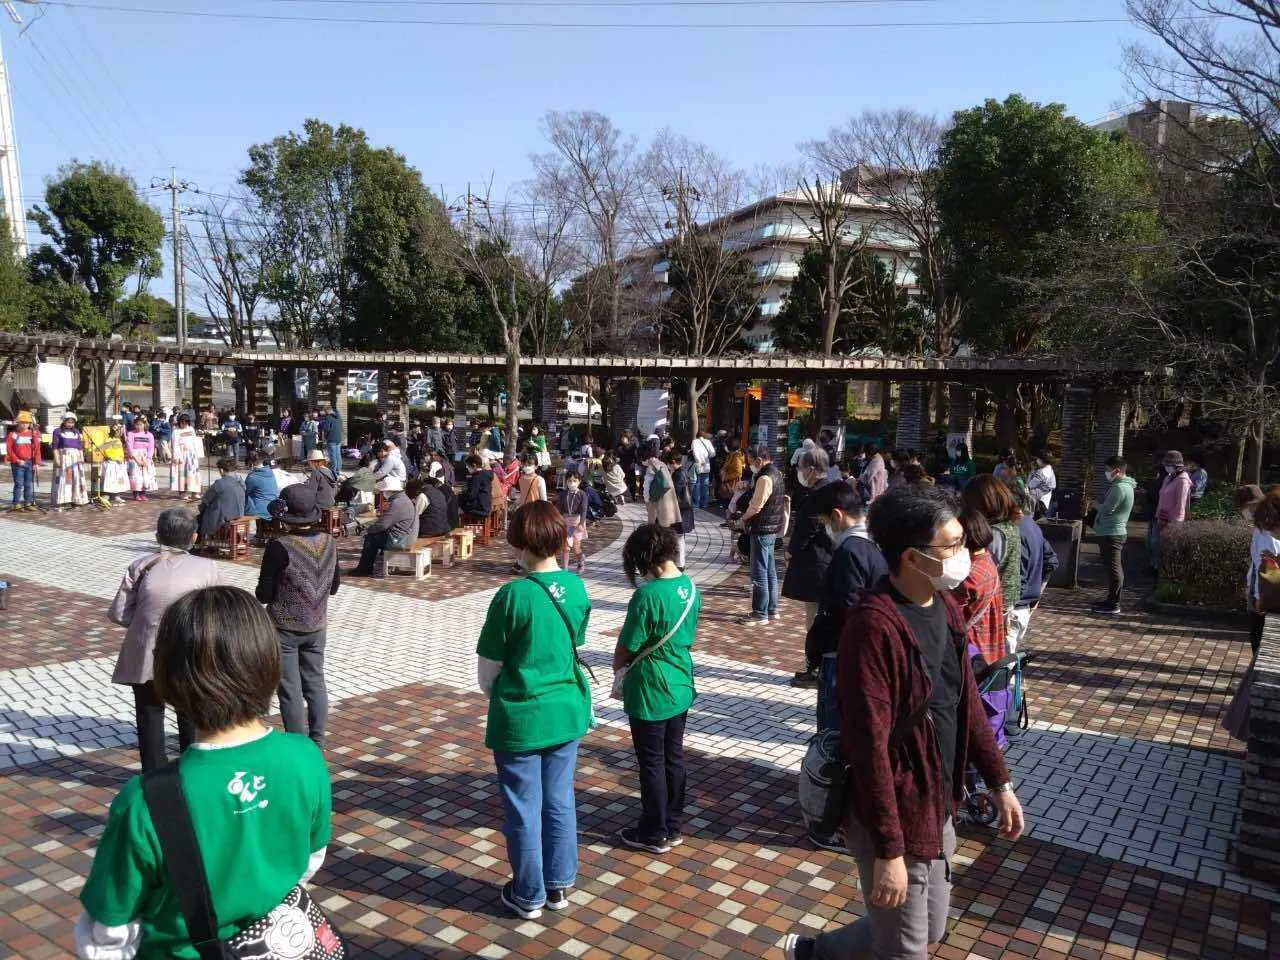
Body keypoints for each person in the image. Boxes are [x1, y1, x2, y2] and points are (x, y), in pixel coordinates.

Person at [783, 486, 1024, 960]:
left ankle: (815, 953)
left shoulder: (946, 606)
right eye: (952, 545)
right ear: (913, 556)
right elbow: (869, 746)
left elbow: (966, 703)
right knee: (906, 950)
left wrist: (999, 781)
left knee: (928, 930)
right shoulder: (873, 627)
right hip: (894, 810)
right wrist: (889, 851)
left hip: (937, 801)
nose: (965, 554)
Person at [77, 585, 332, 960]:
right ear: (270, 663)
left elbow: (108, 930)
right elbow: (311, 857)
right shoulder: (305, 756)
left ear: (169, 676)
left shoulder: (144, 800)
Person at [476, 501, 592, 920]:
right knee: (559, 799)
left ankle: (528, 894)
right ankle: (558, 884)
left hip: (522, 716)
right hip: (567, 710)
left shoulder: (513, 594)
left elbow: (488, 672)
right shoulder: (576, 588)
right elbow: (574, 641)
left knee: (524, 806)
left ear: (522, 544)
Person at [796, 483, 889, 848]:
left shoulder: (850, 551)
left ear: (836, 516)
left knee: (833, 740)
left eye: (823, 520)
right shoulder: (874, 546)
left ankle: (830, 819)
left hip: (843, 658)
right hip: (859, 658)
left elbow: (852, 612)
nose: (823, 528)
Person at [107, 508, 220, 772]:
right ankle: (193, 772)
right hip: (190, 651)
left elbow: (119, 613)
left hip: (147, 650)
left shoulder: (141, 565)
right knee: (190, 712)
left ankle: (153, 775)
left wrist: (146, 623)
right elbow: (217, 611)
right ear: (194, 537)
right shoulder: (208, 567)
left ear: (158, 535)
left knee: (149, 712)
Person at [614, 523, 700, 855]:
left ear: (644, 558)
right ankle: (673, 824)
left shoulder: (647, 595)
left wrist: (617, 669)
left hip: (650, 687)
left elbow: (629, 644)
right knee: (673, 757)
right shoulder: (689, 587)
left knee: (651, 762)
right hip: (680, 681)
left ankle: (653, 831)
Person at [256, 485, 340, 747]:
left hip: (284, 628)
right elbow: (334, 587)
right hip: (317, 626)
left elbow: (264, 594)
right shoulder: (329, 542)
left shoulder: (279, 546)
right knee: (315, 682)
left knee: (290, 689)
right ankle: (318, 741)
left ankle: (297, 745)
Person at [783, 446, 835, 676]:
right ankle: (817, 665)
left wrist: (790, 551)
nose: (800, 472)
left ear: (811, 469)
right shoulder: (834, 490)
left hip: (816, 563)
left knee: (814, 620)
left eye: (801, 468)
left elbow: (806, 530)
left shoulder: (815, 496)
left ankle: (814, 667)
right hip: (829, 561)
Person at [737, 444, 785, 626]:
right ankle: (771, 609)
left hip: (761, 528)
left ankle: (760, 613)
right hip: (771, 528)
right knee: (769, 570)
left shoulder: (765, 477)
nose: (749, 465)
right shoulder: (776, 473)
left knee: (759, 572)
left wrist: (743, 518)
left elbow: (756, 506)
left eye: (750, 462)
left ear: (759, 460)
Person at [963, 475, 1022, 623]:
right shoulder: (1009, 526)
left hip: (995, 604)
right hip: (1005, 602)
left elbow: (985, 570)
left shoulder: (995, 533)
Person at [1006, 486, 1059, 652]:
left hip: (1012, 609)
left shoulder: (1012, 530)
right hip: (1024, 608)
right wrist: (1037, 593)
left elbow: (1018, 572)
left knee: (1002, 662)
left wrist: (1007, 608)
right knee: (1009, 660)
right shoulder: (1031, 524)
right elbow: (1051, 561)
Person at [952, 507, 1005, 666]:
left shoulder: (968, 575)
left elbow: (951, 617)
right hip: (988, 649)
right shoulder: (987, 560)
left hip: (972, 651)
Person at [1092, 456, 1137, 615]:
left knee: (1113, 569)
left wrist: (1097, 506)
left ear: (1117, 470)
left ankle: (1114, 604)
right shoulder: (1124, 486)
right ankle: (1111, 600)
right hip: (1112, 532)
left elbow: (1107, 509)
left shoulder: (1119, 488)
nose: (1106, 473)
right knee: (1112, 569)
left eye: (1107, 470)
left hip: (1112, 533)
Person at [350, 482, 416, 576]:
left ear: (390, 491)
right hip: (402, 535)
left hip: (397, 539)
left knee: (370, 539)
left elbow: (383, 525)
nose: (384, 493)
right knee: (374, 536)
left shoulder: (397, 503)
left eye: (384, 491)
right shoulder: (404, 499)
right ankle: (366, 568)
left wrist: (368, 530)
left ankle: (364, 570)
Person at [1241, 485, 1276, 655]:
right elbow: (1256, 563)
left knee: (1261, 643)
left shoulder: (1269, 531)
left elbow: (1271, 568)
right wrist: (1250, 587)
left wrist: (1260, 596)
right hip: (1258, 593)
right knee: (1256, 640)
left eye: (1251, 506)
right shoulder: (1259, 529)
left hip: (1266, 597)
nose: (1248, 512)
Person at [1152, 449, 1194, 572]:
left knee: (1168, 549)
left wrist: (1176, 524)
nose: (1166, 467)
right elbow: (1162, 497)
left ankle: (1167, 572)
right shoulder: (1169, 477)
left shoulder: (1183, 481)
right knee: (1157, 545)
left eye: (1167, 464)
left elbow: (1181, 504)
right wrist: (1158, 516)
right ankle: (1158, 569)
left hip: (1172, 521)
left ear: (1175, 465)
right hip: (1162, 518)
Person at [196, 458, 247, 546]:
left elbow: (205, 501)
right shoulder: (241, 483)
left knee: (199, 517)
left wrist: (202, 508)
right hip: (239, 515)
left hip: (222, 520)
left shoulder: (219, 484)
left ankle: (199, 545)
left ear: (221, 470)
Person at [51, 412, 89, 511]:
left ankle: (76, 499)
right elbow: (55, 447)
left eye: (72, 422)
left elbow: (80, 447)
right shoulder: (57, 431)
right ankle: (63, 501)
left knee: (76, 478)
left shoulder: (76, 432)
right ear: (64, 421)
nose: (70, 424)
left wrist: (82, 457)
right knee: (66, 480)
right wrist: (57, 459)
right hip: (64, 458)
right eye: (68, 422)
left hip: (76, 459)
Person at [666, 448, 696, 570]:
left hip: (680, 512)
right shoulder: (683, 472)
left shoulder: (678, 475)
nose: (668, 466)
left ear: (673, 462)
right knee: (679, 538)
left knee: (678, 538)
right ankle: (679, 562)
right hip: (683, 511)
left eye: (669, 463)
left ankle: (679, 563)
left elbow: (674, 495)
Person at [7, 410, 41, 511]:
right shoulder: (13, 434)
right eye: (22, 422)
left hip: (30, 462)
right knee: (18, 483)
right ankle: (16, 503)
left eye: (26, 423)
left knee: (28, 484)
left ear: (30, 424)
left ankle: (28, 503)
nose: (24, 425)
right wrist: (17, 460)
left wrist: (37, 463)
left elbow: (37, 449)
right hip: (18, 464)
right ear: (18, 423)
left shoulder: (33, 434)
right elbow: (9, 450)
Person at [558, 468, 590, 573]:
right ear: (566, 482)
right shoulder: (563, 494)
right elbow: (559, 508)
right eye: (569, 481)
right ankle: (564, 569)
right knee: (566, 547)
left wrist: (581, 523)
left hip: (577, 523)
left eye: (574, 481)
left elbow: (584, 509)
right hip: (566, 522)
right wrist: (557, 520)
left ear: (579, 482)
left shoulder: (582, 494)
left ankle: (580, 559)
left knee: (576, 547)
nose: (572, 483)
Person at [170, 413, 203, 502]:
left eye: (186, 422)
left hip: (191, 455)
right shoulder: (176, 431)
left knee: (193, 474)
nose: (184, 423)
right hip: (182, 455)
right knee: (182, 474)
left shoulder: (191, 429)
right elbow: (175, 445)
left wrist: (197, 453)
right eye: (182, 422)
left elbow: (194, 442)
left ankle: (195, 492)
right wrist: (176, 456)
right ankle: (183, 493)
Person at [124, 415, 158, 502]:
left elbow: (151, 448)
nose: (139, 426)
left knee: (145, 475)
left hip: (145, 457)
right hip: (134, 457)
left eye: (141, 424)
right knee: (135, 476)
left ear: (144, 424)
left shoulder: (149, 435)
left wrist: (148, 459)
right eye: (137, 424)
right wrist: (136, 459)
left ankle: (143, 493)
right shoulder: (131, 434)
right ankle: (136, 493)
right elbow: (129, 447)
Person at [243, 452, 280, 521]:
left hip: (259, 512)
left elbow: (244, 493)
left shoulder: (252, 477)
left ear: (251, 463)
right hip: (273, 508)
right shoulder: (270, 472)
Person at [459, 453, 494, 522]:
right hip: (486, 506)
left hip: (479, 509)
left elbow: (471, 495)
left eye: (468, 466)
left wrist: (461, 496)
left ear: (474, 465)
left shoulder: (476, 477)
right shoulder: (485, 475)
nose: (466, 468)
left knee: (458, 501)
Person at [689, 430, 716, 509]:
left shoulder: (694, 442)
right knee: (705, 485)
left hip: (698, 464)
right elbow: (713, 454)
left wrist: (699, 461)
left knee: (697, 484)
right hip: (706, 465)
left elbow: (694, 453)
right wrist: (706, 458)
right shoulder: (708, 442)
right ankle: (704, 503)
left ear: (697, 435)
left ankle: (696, 504)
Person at [318, 404, 343, 475]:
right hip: (338, 438)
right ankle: (338, 470)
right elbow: (340, 426)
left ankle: (333, 472)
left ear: (327, 410)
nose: (324, 412)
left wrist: (325, 437)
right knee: (338, 455)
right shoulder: (338, 416)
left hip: (331, 439)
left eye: (324, 411)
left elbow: (327, 429)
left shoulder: (328, 418)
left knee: (333, 456)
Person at [616, 431, 640, 502]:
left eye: (623, 437)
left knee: (633, 481)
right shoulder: (619, 445)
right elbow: (617, 454)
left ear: (627, 438)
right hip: (622, 466)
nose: (622, 439)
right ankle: (623, 496)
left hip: (632, 465)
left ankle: (633, 496)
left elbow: (636, 455)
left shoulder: (633, 445)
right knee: (623, 481)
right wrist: (617, 458)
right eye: (621, 437)